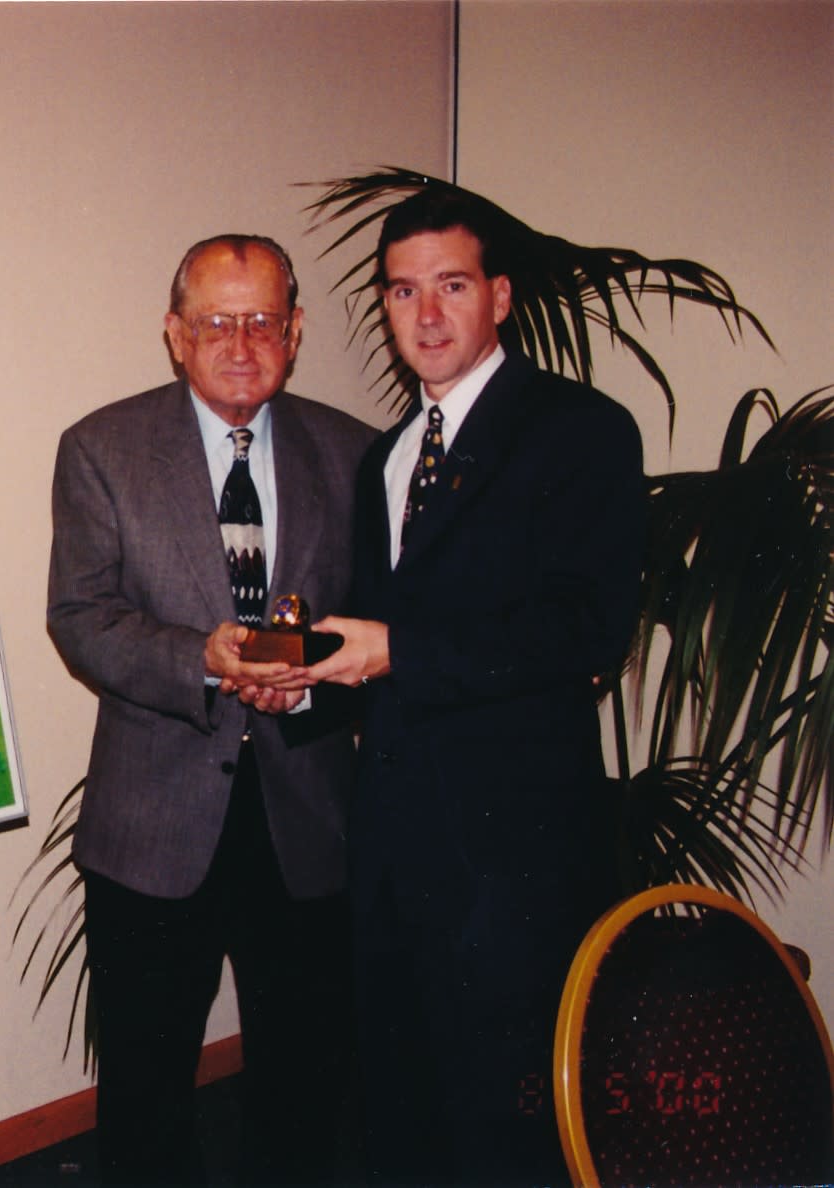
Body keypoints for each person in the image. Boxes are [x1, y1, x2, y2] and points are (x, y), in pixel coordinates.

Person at [295, 188, 647, 1185]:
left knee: (510, 1121)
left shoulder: (578, 430)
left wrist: (395, 650)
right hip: (396, 846)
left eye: (451, 285)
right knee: (402, 1104)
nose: (428, 315)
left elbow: (583, 632)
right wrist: (302, 688)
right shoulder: (385, 458)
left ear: (497, 295)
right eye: (403, 291)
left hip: (515, 855)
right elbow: (375, 642)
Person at [47, 234, 376, 1185]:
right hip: (156, 818)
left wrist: (314, 670)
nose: (242, 341)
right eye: (216, 321)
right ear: (174, 335)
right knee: (148, 1090)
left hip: (308, 812)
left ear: (296, 330)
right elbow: (80, 616)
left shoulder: (355, 453)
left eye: (263, 320)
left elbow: (378, 619)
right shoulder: (102, 448)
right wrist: (198, 657)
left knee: (305, 1077)